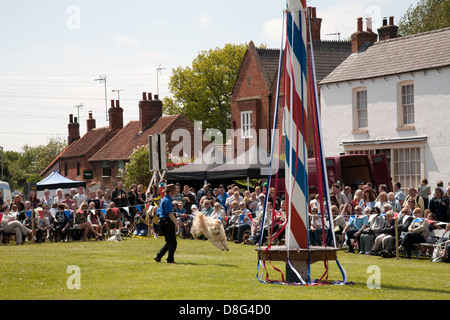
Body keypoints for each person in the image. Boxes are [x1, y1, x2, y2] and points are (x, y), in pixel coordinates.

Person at [154, 184, 178, 263]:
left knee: (169, 241)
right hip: (167, 221)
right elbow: (170, 214)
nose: (175, 192)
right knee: (173, 242)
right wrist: (175, 223)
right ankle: (170, 259)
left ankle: (159, 256)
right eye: (174, 190)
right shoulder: (168, 200)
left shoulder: (165, 199)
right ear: (171, 191)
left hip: (163, 221)